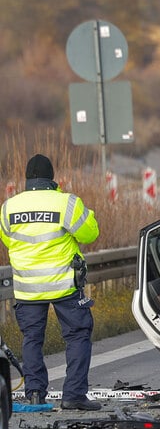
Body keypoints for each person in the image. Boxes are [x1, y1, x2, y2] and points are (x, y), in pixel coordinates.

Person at [0, 154, 101, 411]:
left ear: (26, 179)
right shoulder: (66, 203)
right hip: (63, 285)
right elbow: (90, 233)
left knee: (32, 338)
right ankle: (74, 395)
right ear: (52, 178)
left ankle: (34, 394)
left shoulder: (8, 207)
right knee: (77, 336)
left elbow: (9, 241)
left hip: (27, 288)